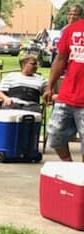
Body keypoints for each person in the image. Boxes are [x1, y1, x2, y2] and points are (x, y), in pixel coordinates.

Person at [44, 9, 84, 161]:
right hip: (67, 95)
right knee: (55, 137)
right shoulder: (71, 31)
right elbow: (60, 59)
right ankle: (70, 167)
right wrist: (49, 86)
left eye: (75, 14)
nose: (72, 17)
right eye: (70, 14)